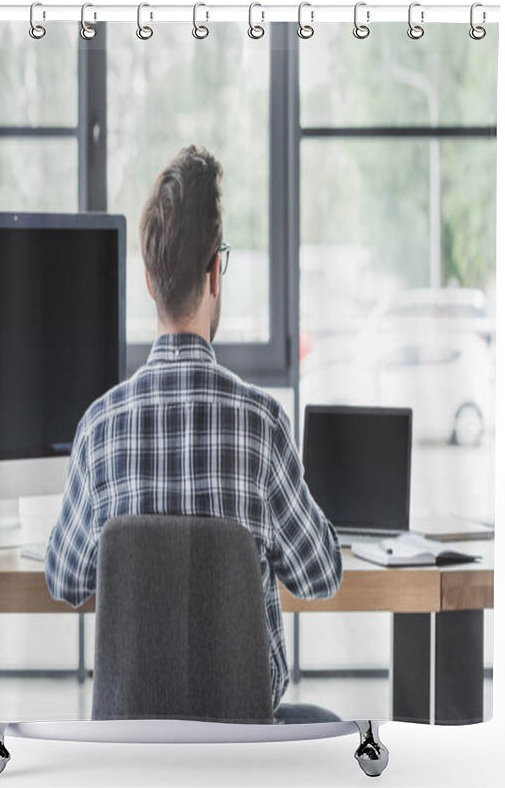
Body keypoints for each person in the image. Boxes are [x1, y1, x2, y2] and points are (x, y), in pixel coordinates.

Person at [45, 145, 342, 721]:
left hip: (130, 747)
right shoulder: (262, 425)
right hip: (244, 743)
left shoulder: (99, 428)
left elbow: (64, 580)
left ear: (151, 284)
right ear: (214, 274)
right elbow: (320, 575)